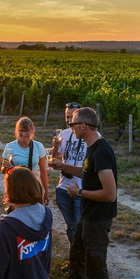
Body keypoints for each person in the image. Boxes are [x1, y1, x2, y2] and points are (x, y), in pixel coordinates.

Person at [49, 107, 118, 279]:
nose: (71, 127)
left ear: (83, 127)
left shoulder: (101, 151)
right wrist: (64, 166)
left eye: (73, 124)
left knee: (96, 265)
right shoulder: (91, 147)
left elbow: (110, 194)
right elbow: (88, 173)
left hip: (98, 218)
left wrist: (79, 193)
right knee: (77, 255)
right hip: (87, 215)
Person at [51, 103, 88, 245]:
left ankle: (81, 260)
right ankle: (75, 258)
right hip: (63, 188)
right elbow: (54, 161)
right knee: (70, 227)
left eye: (72, 116)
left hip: (81, 189)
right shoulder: (64, 134)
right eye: (67, 116)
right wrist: (55, 147)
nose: (69, 120)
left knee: (80, 227)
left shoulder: (89, 136)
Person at [1, 117, 50, 206]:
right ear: (16, 131)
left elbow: (43, 171)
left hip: (34, 187)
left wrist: (46, 191)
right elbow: (3, 170)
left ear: (32, 131)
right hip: (16, 186)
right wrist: (5, 166)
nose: (23, 134)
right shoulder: (10, 146)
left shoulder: (38, 146)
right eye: (21, 131)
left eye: (26, 131)